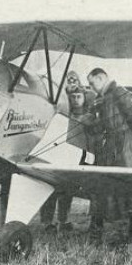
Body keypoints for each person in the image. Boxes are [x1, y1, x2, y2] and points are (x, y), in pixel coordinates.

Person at [86, 67, 132, 238]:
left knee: (131, 183)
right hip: (111, 143)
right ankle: (99, 225)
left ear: (101, 78)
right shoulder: (100, 98)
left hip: (127, 142)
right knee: (105, 181)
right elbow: (100, 125)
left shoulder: (119, 92)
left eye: (92, 83)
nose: (91, 87)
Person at [39, 84, 87, 234]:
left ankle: (63, 220)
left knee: (67, 192)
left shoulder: (88, 117)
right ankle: (47, 222)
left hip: (76, 157)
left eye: (79, 97)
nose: (76, 100)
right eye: (72, 97)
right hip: (57, 156)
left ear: (84, 98)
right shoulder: (61, 114)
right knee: (50, 190)